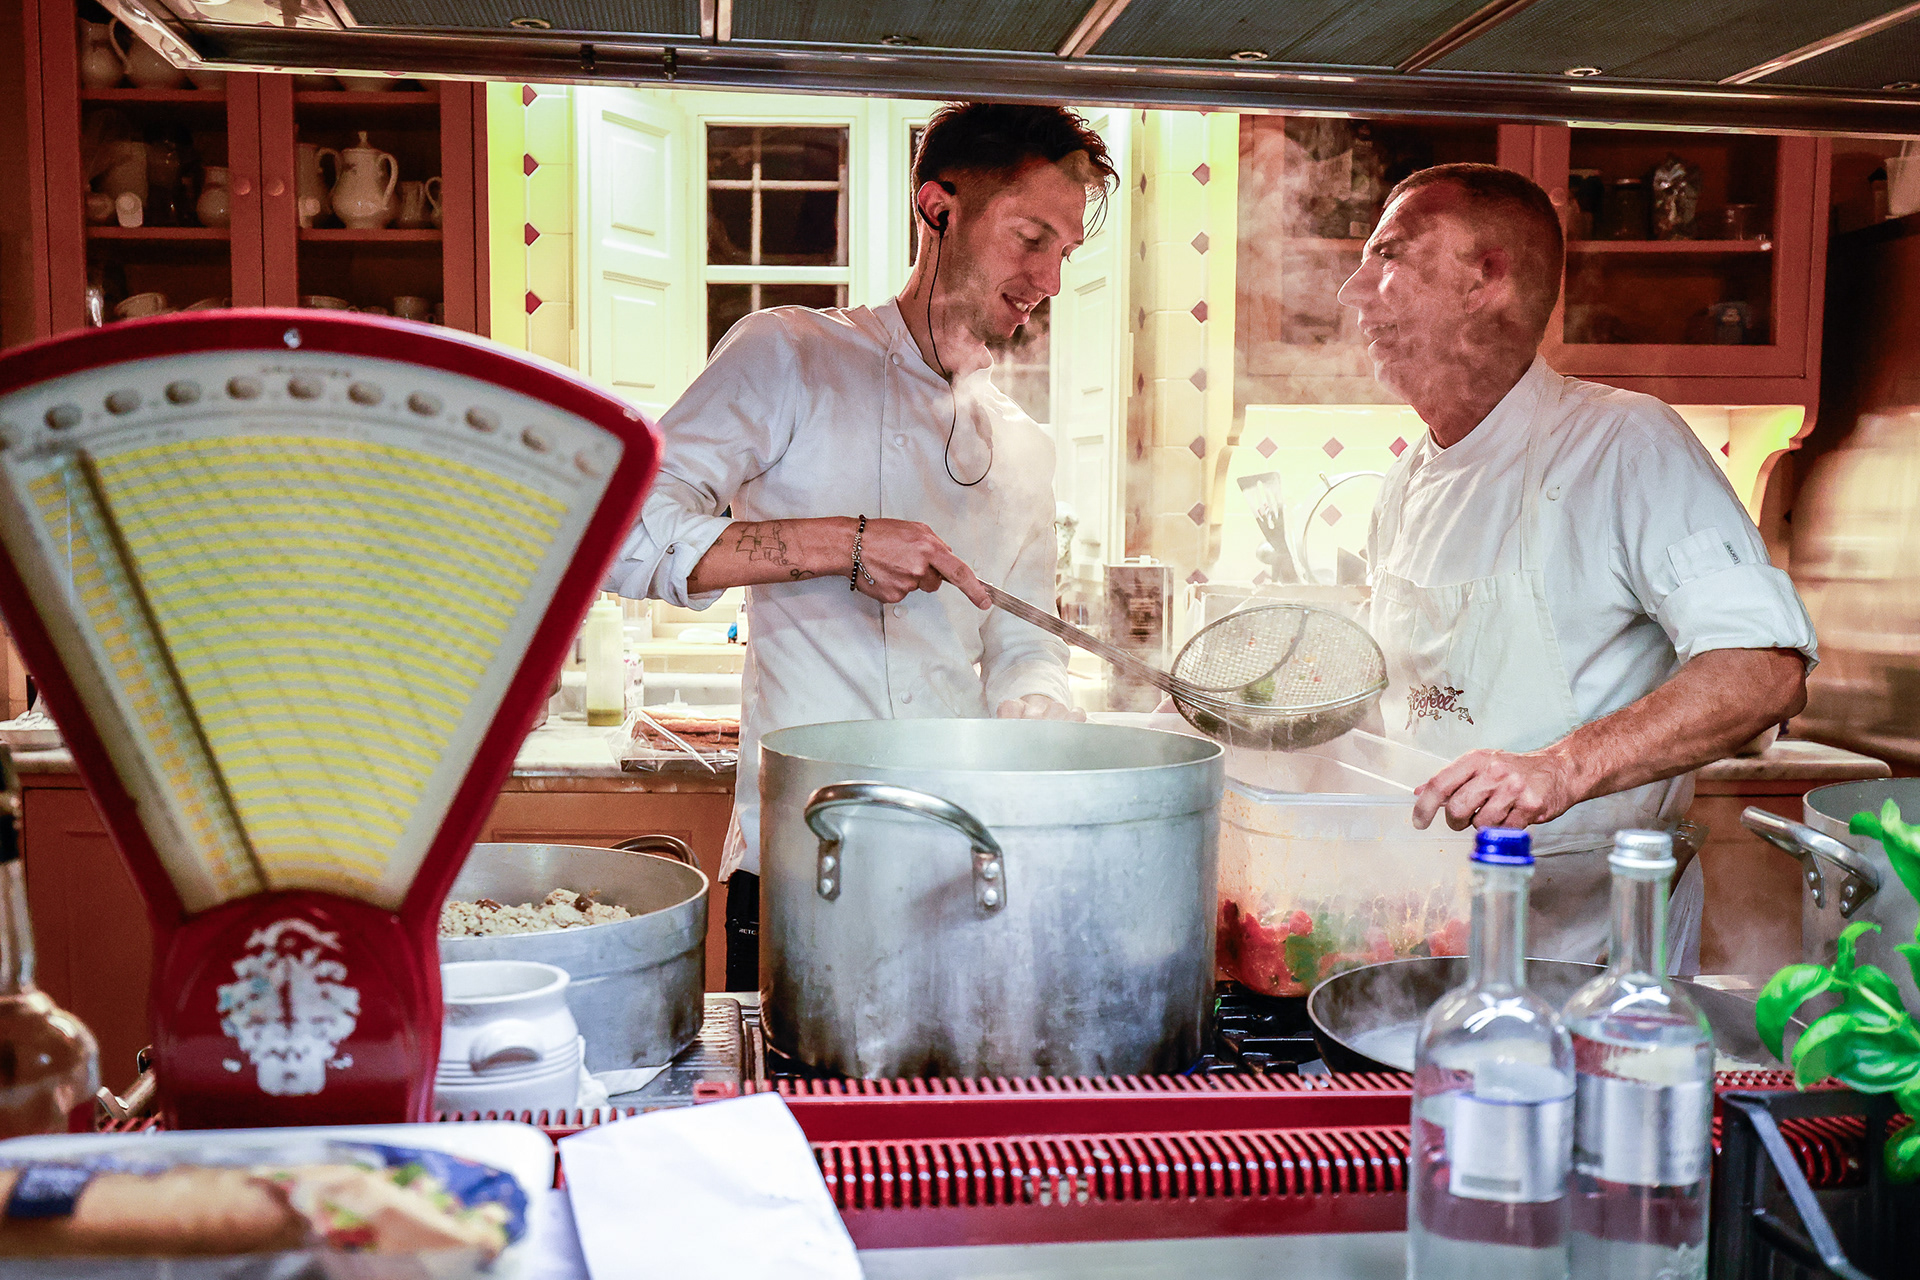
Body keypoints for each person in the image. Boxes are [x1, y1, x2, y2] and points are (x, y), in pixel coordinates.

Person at [605, 103, 1115, 990]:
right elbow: (618, 531)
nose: (1050, 280)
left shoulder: (1022, 445)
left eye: (1065, 252)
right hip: (807, 861)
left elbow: (1024, 644)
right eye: (1031, 237)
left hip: (962, 868)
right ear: (937, 207)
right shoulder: (790, 354)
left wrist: (1036, 706)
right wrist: (841, 543)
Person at [1335, 163, 1817, 964]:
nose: (1353, 290)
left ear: (1486, 279)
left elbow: (1765, 670)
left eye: (1388, 255)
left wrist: (1563, 768)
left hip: (1596, 954)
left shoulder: (1626, 444)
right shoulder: (1404, 483)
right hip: (1428, 935)